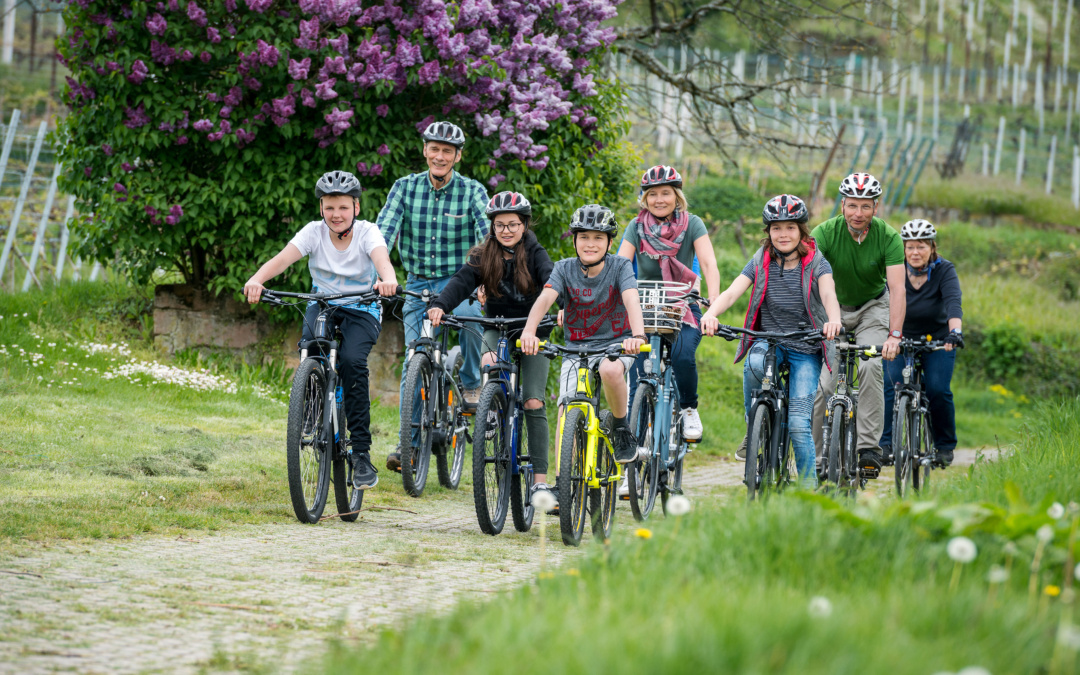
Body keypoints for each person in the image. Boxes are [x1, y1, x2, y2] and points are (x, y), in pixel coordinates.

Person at [243, 171, 399, 489]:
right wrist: (257, 279)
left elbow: (381, 259)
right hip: (324, 303)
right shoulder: (313, 233)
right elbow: (283, 259)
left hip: (363, 307)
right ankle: (312, 411)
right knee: (311, 345)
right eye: (329, 207)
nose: (336, 214)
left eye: (342, 207)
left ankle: (361, 455)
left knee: (353, 364)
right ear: (321, 209)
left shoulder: (368, 232)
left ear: (355, 207)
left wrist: (387, 278)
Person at [700, 195, 842, 487]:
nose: (783, 234)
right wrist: (711, 314)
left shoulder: (816, 262)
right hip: (769, 341)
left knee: (800, 426)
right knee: (753, 362)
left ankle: (808, 493)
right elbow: (731, 292)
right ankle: (754, 426)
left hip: (805, 346)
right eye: (777, 228)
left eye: (790, 227)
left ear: (802, 231)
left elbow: (829, 294)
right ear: (768, 232)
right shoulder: (761, 259)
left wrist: (834, 319)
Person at [427, 191, 557, 499]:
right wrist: (440, 304)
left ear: (524, 225)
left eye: (513, 224)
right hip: (498, 327)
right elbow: (461, 281)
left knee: (533, 401)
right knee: (488, 361)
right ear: (492, 227)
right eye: (500, 225)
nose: (507, 231)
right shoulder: (484, 255)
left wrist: (561, 306)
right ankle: (492, 410)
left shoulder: (536, 253)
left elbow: (553, 282)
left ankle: (539, 480)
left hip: (534, 330)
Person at [377, 121, 489, 473]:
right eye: (434, 149)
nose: (440, 156)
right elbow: (382, 234)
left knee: (472, 317)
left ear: (458, 156)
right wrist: (384, 276)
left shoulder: (472, 191)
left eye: (447, 151)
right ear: (425, 150)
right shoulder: (404, 188)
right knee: (415, 361)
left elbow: (488, 238)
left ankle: (470, 382)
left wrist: (484, 279)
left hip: (459, 283)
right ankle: (407, 444)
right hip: (418, 285)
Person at [520, 204, 647, 465]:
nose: (590, 244)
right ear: (575, 240)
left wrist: (638, 336)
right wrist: (529, 332)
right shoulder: (563, 268)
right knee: (567, 410)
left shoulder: (621, 266)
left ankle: (621, 428)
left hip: (616, 343)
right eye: (584, 237)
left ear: (610, 242)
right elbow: (545, 298)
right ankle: (561, 484)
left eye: (598, 237)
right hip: (577, 348)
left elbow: (631, 299)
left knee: (611, 371)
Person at [810, 172, 906, 477]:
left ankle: (868, 449)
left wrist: (894, 334)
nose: (858, 214)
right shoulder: (824, 233)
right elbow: (808, 277)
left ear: (876, 207)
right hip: (832, 308)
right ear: (842, 205)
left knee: (870, 365)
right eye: (852, 206)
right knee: (824, 386)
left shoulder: (888, 237)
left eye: (866, 207)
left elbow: (898, 289)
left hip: (872, 309)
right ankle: (814, 460)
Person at [616, 165, 721, 443]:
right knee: (638, 379)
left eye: (665, 193)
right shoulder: (635, 227)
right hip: (644, 308)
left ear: (677, 196)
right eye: (652, 194)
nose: (659, 199)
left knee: (683, 356)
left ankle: (688, 409)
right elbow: (620, 265)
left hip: (682, 305)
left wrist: (713, 306)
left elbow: (709, 263)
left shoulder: (693, 223)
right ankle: (634, 458)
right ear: (645, 198)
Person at [879, 219, 964, 467]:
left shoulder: (944, 270)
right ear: (903, 249)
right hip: (900, 338)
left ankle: (944, 446)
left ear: (932, 248)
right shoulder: (894, 269)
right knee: (890, 385)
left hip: (937, 340)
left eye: (922, 247)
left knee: (938, 389)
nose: (915, 252)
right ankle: (885, 445)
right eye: (910, 247)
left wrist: (955, 332)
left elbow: (952, 302)